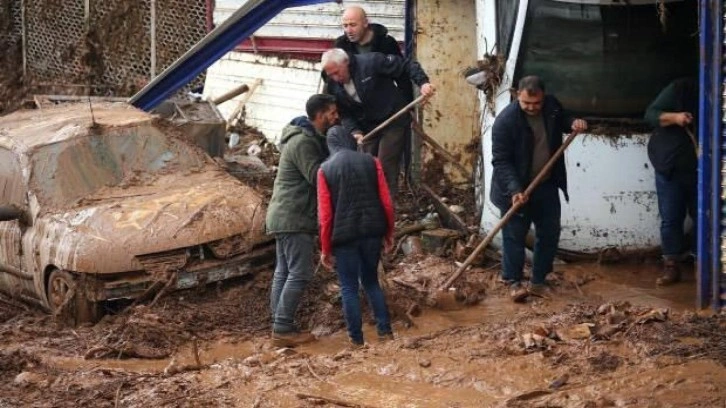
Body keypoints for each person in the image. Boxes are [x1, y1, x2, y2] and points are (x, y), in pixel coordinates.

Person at [490, 76, 588, 302]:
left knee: (549, 232)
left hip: (545, 184)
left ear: (543, 97)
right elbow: (501, 161)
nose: (532, 108)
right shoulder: (505, 123)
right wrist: (515, 189)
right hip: (514, 188)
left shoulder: (551, 106)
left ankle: (539, 281)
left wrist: (574, 122)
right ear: (517, 96)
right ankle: (513, 282)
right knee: (514, 236)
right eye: (527, 104)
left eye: (537, 103)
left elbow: (563, 118)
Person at [266, 94, 339, 347]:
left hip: (283, 215)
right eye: (331, 113)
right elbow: (317, 177)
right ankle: (283, 328)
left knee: (284, 271)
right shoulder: (303, 143)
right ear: (319, 116)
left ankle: (280, 323)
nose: (335, 117)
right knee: (300, 271)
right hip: (293, 216)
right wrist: (342, 157)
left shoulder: (301, 139)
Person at [321, 48, 435, 202]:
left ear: (346, 63)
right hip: (368, 125)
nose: (335, 78)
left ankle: (387, 207)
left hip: (393, 118)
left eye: (337, 72)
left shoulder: (370, 62)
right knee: (366, 165)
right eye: (331, 75)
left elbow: (406, 65)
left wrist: (423, 83)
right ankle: (370, 205)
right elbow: (345, 113)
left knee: (384, 164)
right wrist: (355, 131)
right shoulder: (333, 85)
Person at [317, 125, 395, 346]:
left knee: (349, 287)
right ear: (350, 141)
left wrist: (325, 248)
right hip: (372, 232)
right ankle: (385, 332)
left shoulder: (325, 169)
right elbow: (386, 203)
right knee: (371, 282)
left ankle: (356, 341)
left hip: (344, 239)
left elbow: (325, 216)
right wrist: (389, 232)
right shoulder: (372, 161)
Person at [644, 77, 698, 286]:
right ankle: (671, 266)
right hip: (670, 167)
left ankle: (700, 264)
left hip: (702, 171)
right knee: (671, 219)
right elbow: (651, 114)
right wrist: (675, 117)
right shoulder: (681, 88)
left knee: (705, 219)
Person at [334, 6, 413, 102]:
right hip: (356, 107)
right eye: (345, 26)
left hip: (384, 104)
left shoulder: (386, 43)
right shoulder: (341, 45)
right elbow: (333, 78)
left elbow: (402, 75)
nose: (349, 31)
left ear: (365, 23)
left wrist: (408, 106)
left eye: (353, 25)